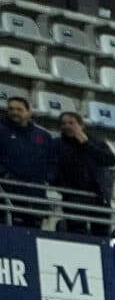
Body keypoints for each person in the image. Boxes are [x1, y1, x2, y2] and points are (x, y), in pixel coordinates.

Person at [50, 110, 115, 236]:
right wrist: (61, 186)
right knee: (76, 231)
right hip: (73, 195)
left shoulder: (95, 141)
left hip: (98, 196)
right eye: (64, 123)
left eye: (71, 123)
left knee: (101, 233)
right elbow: (52, 167)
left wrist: (86, 144)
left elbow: (110, 160)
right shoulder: (57, 144)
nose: (67, 126)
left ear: (81, 125)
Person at [0, 96, 54, 225]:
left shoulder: (43, 136)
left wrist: (48, 176)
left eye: (19, 109)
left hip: (35, 195)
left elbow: (52, 160)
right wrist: (4, 175)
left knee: (33, 228)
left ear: (29, 112)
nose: (15, 112)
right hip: (5, 191)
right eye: (11, 109)